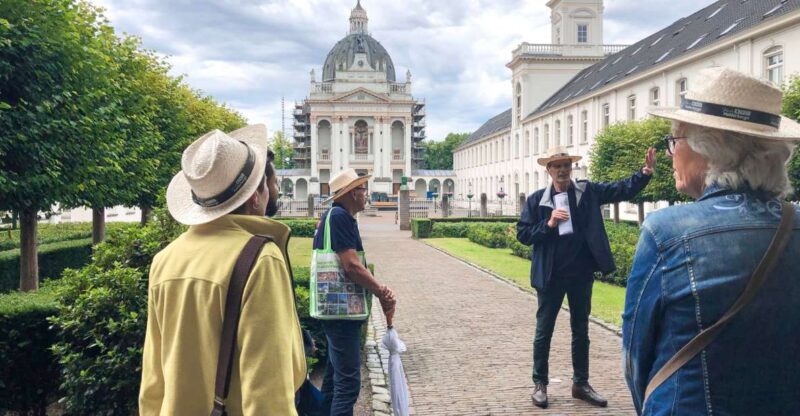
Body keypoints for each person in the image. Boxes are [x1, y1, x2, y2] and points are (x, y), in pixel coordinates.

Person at [624, 67, 800, 415]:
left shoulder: (666, 232)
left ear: (709, 149)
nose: (671, 153)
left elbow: (636, 356)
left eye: (675, 141)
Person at [139, 125, 306, 415]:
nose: (275, 190)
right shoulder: (260, 259)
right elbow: (268, 398)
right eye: (271, 183)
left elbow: (153, 383)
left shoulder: (165, 259)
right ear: (256, 195)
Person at [517, 145, 656, 409]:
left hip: (580, 274)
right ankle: (540, 384)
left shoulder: (586, 191)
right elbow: (523, 235)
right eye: (557, 166)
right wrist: (548, 224)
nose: (562, 170)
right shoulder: (537, 201)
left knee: (581, 331)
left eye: (566, 165)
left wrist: (644, 173)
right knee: (543, 331)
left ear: (571, 167)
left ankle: (580, 384)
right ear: (548, 170)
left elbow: (620, 189)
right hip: (551, 276)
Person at [313, 168, 396, 416]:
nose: (365, 193)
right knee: (348, 385)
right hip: (342, 315)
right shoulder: (339, 217)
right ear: (350, 194)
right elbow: (351, 265)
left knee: (333, 380)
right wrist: (380, 290)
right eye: (361, 189)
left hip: (332, 311)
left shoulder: (333, 216)